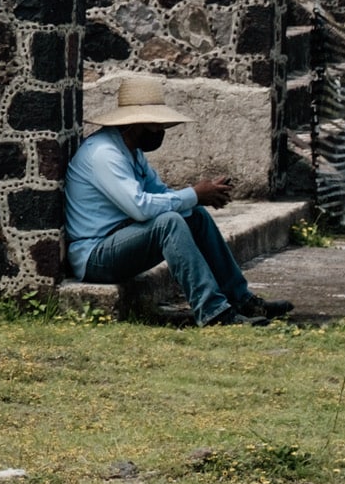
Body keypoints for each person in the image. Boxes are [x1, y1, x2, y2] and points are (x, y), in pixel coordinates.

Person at [64, 72, 293, 326]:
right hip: (95, 257)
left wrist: (199, 198)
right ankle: (214, 312)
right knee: (170, 223)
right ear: (135, 124)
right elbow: (140, 208)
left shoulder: (132, 152)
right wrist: (194, 194)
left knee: (195, 216)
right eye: (156, 125)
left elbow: (161, 194)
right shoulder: (104, 153)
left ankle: (241, 300)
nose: (161, 131)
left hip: (121, 240)